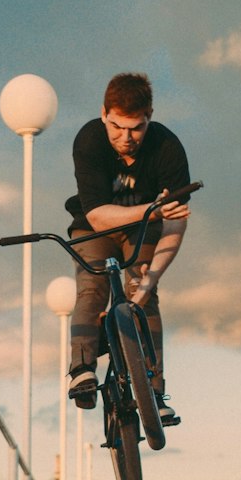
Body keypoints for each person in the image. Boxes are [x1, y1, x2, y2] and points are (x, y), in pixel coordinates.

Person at [66, 72, 191, 424]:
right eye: (117, 127)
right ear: (104, 114)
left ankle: (153, 392)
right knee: (92, 288)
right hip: (93, 226)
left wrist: (149, 281)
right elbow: (97, 215)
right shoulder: (90, 139)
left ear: (149, 116)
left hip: (143, 231)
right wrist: (151, 209)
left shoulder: (167, 147)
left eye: (136, 128)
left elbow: (175, 223)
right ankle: (81, 370)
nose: (126, 138)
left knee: (144, 294)